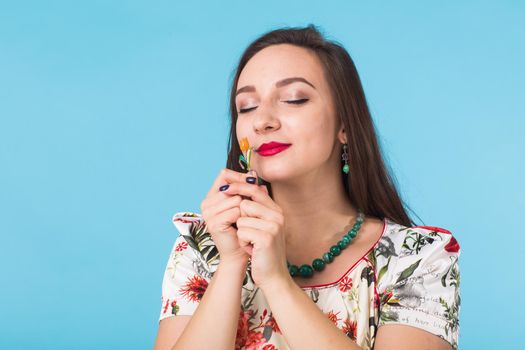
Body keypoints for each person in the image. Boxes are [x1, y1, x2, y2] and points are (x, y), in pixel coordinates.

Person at [154, 24, 461, 350]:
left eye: (294, 99)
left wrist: (276, 282)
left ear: (344, 124)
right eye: (246, 106)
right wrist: (231, 264)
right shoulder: (202, 248)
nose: (263, 120)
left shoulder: (418, 260)